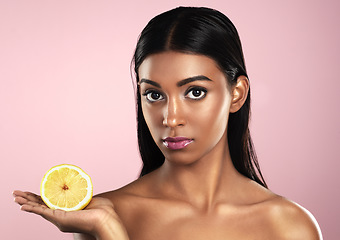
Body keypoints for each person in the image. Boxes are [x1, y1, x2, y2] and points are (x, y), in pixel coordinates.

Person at [13, 6, 322, 240]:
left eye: (195, 92)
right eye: (154, 95)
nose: (171, 118)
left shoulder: (288, 226)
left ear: (236, 94)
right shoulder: (102, 216)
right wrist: (109, 230)